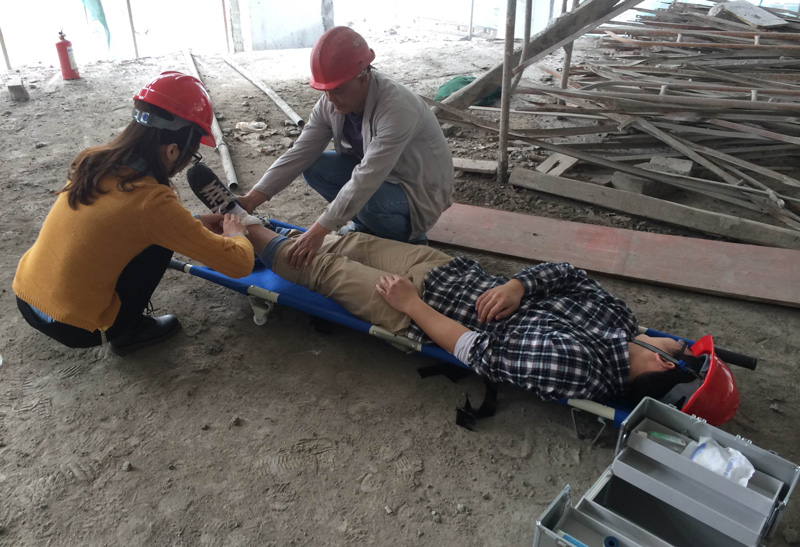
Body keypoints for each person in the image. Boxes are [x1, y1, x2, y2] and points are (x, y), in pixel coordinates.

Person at [196, 207, 737, 414]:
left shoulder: (580, 369)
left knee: (313, 265)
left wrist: (410, 304)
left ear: (664, 363)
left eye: (684, 350)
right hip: (448, 270)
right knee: (349, 242)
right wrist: (521, 285)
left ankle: (240, 227)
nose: (681, 340)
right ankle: (236, 225)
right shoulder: (621, 324)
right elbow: (569, 273)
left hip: (417, 308)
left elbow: (477, 351)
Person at [12, 71, 255, 356]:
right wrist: (236, 234)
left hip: (27, 295)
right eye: (192, 154)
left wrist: (193, 222)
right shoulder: (151, 202)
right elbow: (240, 265)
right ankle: (129, 332)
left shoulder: (93, 160)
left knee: (153, 234)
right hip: (74, 326)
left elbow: (116, 222)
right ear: (173, 150)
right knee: (159, 244)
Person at [238, 26, 455, 269]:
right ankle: (366, 226)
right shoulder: (330, 103)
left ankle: (411, 240)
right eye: (325, 91)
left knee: (369, 200)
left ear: (363, 76)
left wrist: (320, 229)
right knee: (316, 167)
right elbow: (300, 153)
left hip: (418, 187)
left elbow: (368, 175)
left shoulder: (397, 107)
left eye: (338, 89)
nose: (330, 99)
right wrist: (251, 199)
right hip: (382, 178)